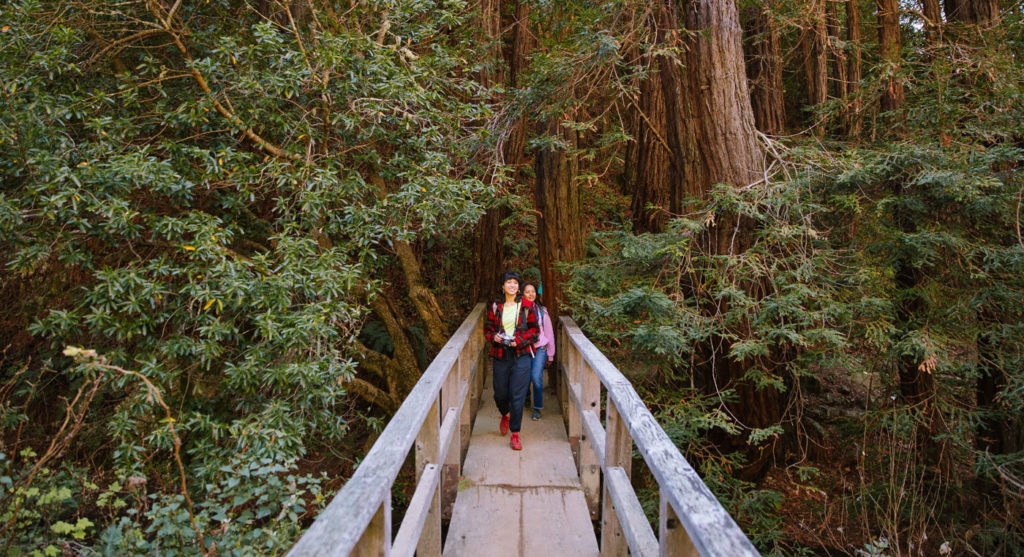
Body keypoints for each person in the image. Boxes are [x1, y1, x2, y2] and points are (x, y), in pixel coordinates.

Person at [483, 271, 539, 450]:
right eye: (509, 282)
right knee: (500, 394)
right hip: (501, 355)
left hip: (521, 356)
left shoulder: (527, 306)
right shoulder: (495, 306)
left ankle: (515, 433)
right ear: (503, 286)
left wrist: (519, 341)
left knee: (518, 396)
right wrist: (494, 337)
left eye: (515, 283)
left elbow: (534, 331)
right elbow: (487, 329)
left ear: (518, 287)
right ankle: (504, 414)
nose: (512, 285)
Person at [521, 281, 554, 421]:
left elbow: (549, 333)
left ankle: (537, 407)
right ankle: (527, 398)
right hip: (523, 347)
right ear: (522, 294)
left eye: (533, 291)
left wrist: (550, 354)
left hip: (540, 347)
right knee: (524, 376)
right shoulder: (519, 309)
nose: (531, 294)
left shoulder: (542, 311)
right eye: (527, 292)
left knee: (536, 377)